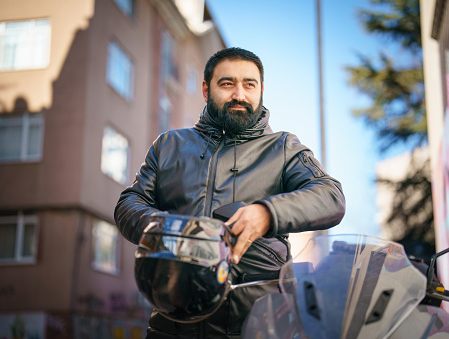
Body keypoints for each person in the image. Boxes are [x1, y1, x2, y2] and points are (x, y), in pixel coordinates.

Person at [114, 47, 346, 338]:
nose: (239, 94)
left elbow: (330, 196)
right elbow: (130, 202)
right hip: (171, 325)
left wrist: (267, 213)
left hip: (257, 325)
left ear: (261, 90)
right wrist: (163, 228)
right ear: (205, 89)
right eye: (227, 83)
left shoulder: (284, 148)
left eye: (249, 84)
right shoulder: (168, 145)